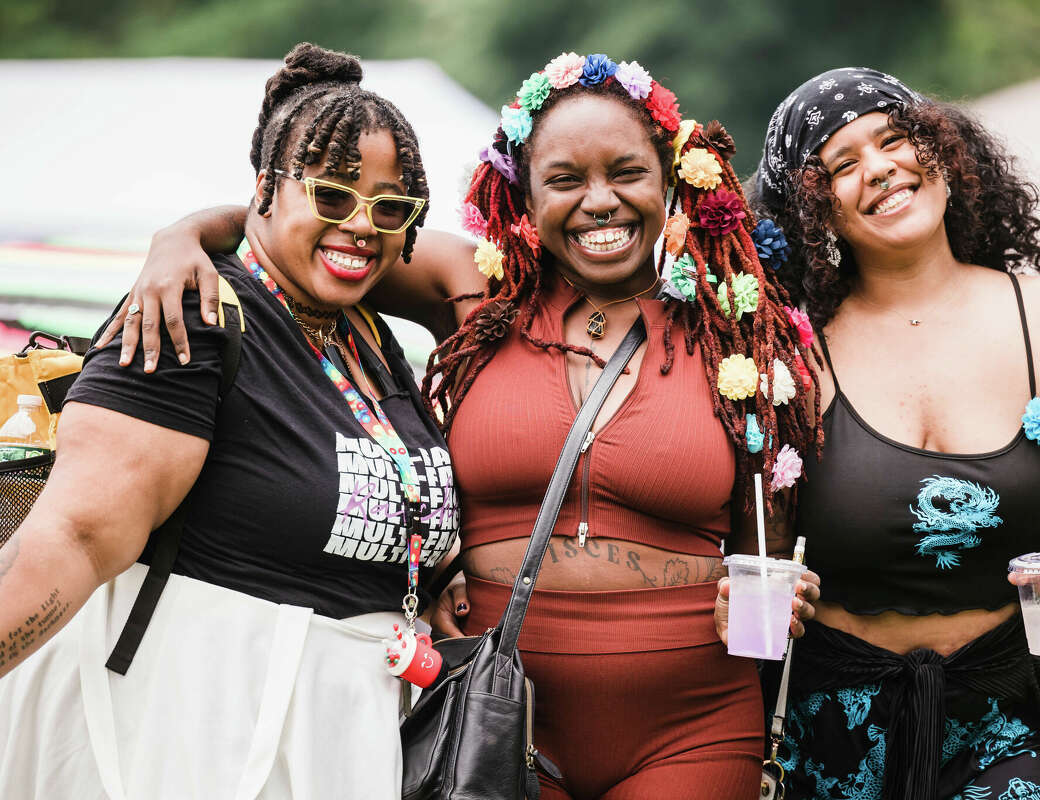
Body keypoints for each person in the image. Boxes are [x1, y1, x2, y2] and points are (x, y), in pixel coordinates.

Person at [92, 52, 823, 799]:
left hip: (691, 726)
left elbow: (762, 537)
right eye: (565, 180)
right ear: (522, 196)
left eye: (627, 173)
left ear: (668, 181)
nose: (600, 201)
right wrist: (181, 237)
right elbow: (314, 230)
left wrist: (765, 594)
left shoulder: (736, 326)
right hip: (489, 719)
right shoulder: (482, 292)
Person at [0, 43, 459, 799]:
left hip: (344, 743)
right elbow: (78, 533)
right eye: (334, 195)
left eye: (389, 207)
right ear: (266, 191)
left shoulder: (370, 339)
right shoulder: (194, 312)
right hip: (200, 732)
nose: (361, 227)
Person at [744, 67, 1040, 799]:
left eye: (895, 140)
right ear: (813, 211)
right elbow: (748, 539)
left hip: (1008, 719)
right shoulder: (789, 352)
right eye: (842, 165)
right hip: (831, 723)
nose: (881, 169)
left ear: (944, 151)